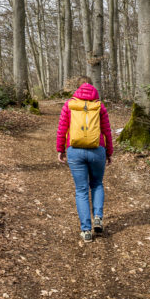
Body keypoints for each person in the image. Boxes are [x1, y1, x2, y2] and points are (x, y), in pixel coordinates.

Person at [56, 76, 113, 243]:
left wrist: (60, 149)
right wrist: (109, 152)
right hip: (97, 150)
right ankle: (97, 217)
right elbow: (107, 131)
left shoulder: (69, 105)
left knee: (81, 190)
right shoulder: (99, 106)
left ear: (78, 87)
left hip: (75, 151)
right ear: (92, 87)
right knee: (97, 184)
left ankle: (86, 231)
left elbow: (62, 129)